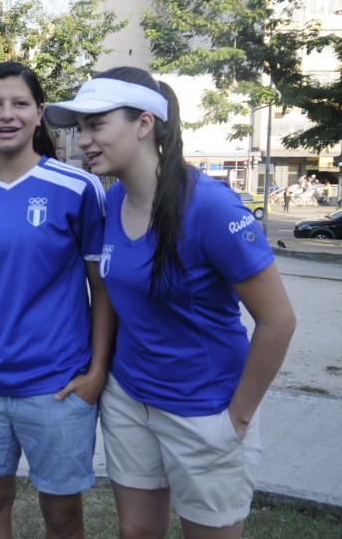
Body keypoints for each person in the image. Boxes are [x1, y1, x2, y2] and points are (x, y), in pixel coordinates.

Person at [44, 67, 295, 538]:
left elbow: (278, 321)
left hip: (204, 409)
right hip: (129, 401)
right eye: (80, 128)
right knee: (136, 532)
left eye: (96, 125)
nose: (83, 140)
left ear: (144, 123)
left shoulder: (211, 208)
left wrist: (237, 417)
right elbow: (116, 300)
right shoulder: (112, 199)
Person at [0, 62, 113, 539]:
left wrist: (96, 373)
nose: (6, 115)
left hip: (56, 387)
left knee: (61, 516)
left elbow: (102, 289)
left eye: (20, 104)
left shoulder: (78, 189)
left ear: (39, 114)